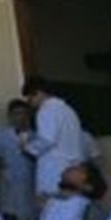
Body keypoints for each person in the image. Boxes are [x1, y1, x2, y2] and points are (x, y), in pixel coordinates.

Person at [21, 76, 88, 204]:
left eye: (30, 97)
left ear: (39, 93)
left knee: (51, 208)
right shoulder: (68, 110)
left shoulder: (46, 110)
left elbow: (47, 140)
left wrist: (27, 147)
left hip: (54, 168)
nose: (29, 102)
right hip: (73, 166)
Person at [0, 99, 39, 220]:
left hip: (31, 182)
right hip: (9, 182)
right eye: (16, 114)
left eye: (24, 113)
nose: (21, 117)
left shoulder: (37, 136)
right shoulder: (2, 136)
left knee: (33, 217)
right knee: (10, 215)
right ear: (10, 116)